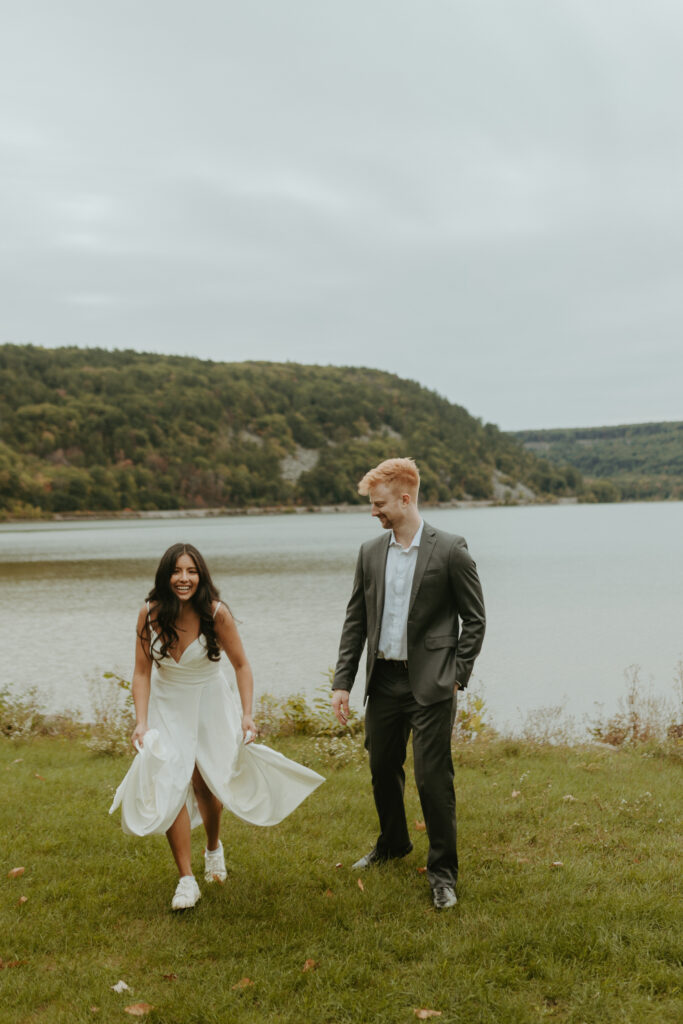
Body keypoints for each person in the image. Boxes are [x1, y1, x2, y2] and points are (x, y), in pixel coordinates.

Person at [110, 543, 324, 911]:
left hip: (210, 702)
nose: (184, 578)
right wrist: (141, 721)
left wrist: (247, 714)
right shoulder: (148, 614)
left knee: (205, 782)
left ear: (201, 575)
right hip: (167, 705)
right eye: (177, 571)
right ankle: (186, 880)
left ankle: (213, 848)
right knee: (171, 782)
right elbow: (142, 672)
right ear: (165, 576)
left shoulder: (216, 614)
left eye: (191, 571)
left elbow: (241, 665)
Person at [331, 458, 485, 910]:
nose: (373, 512)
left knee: (433, 778)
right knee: (382, 769)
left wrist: (457, 675)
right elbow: (355, 619)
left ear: (405, 498)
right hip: (384, 682)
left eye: (378, 504)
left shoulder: (451, 549)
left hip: (433, 683)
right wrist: (343, 681)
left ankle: (442, 873)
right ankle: (394, 843)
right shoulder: (369, 552)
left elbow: (474, 619)